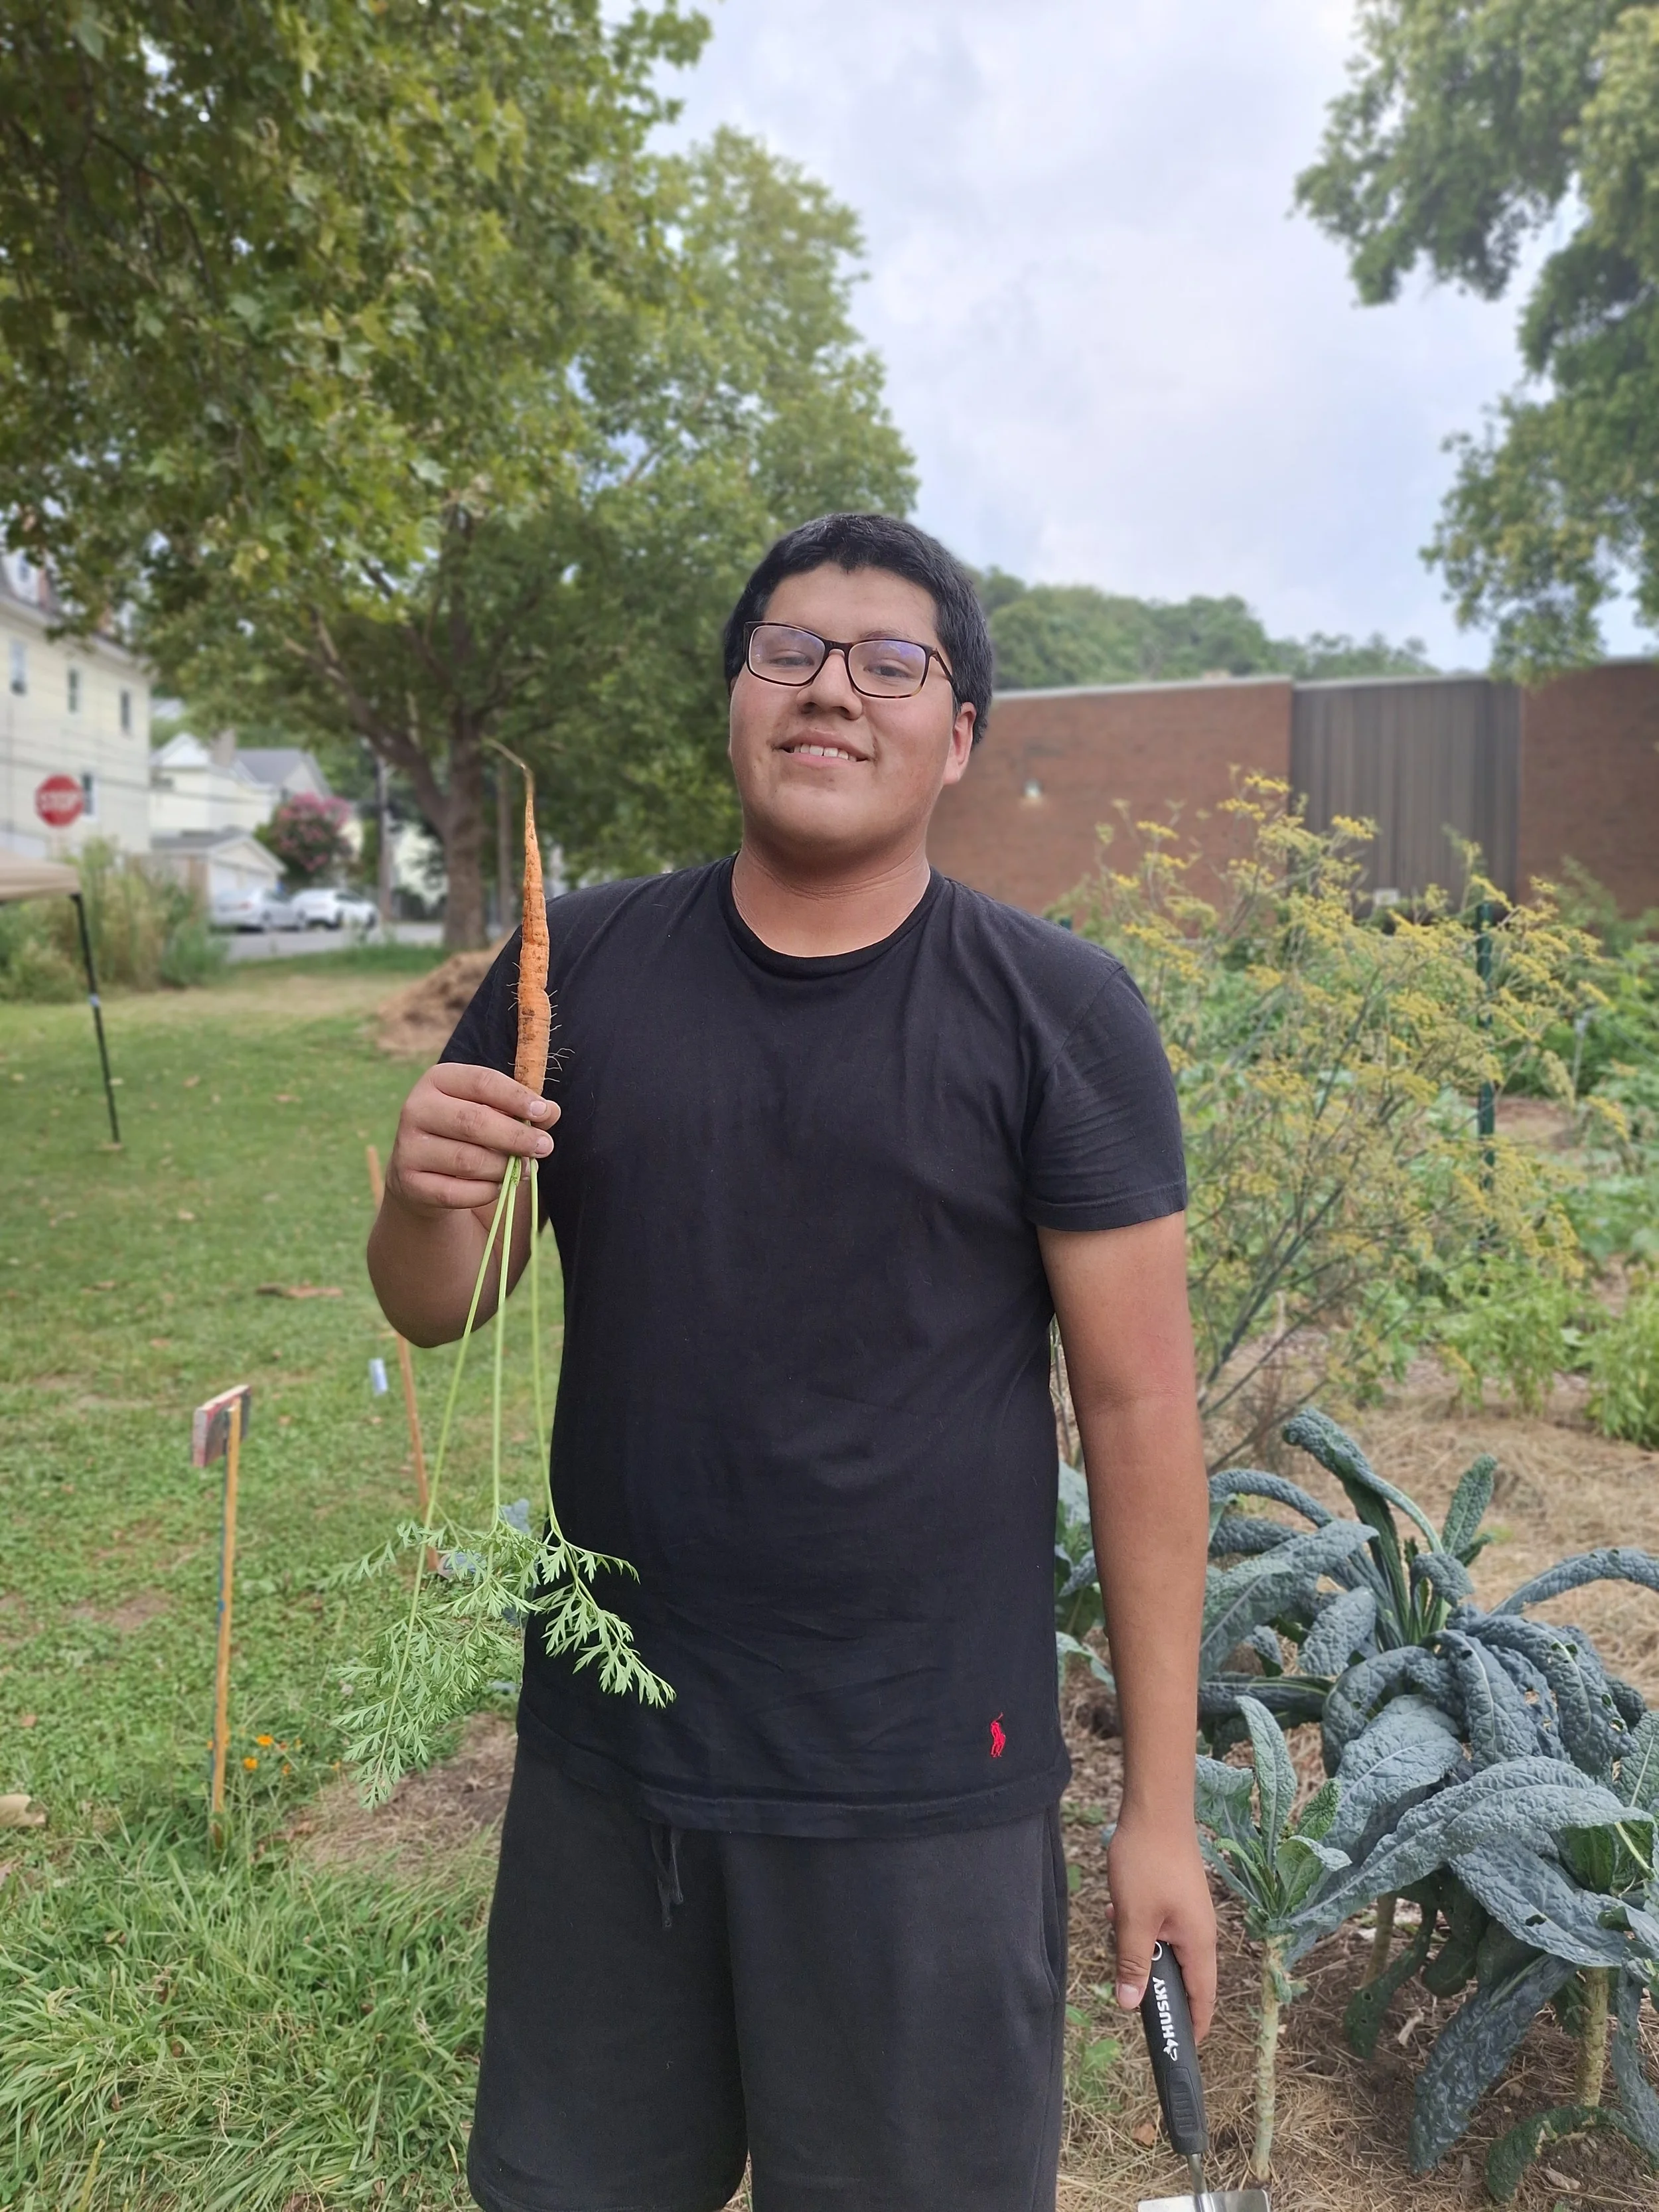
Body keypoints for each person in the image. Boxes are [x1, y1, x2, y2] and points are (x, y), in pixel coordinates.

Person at [368, 513, 1215, 2212]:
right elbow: (436, 1306)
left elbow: (1136, 1411)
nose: (833, 689)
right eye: (789, 650)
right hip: (615, 1768)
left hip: (926, 1784)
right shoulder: (574, 970)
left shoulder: (1054, 1011)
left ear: (955, 734)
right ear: (735, 700)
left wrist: (1160, 1806)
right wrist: (419, 1192)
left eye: (890, 663)